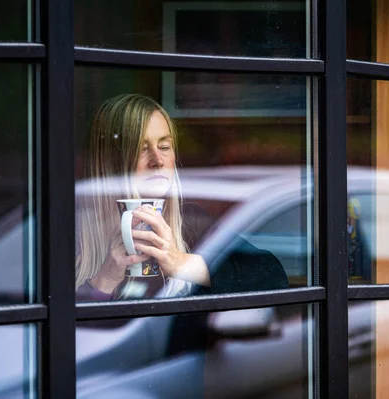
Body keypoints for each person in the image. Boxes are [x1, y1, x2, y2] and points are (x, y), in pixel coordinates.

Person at [75, 94, 288, 301]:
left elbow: (272, 277)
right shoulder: (73, 234)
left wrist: (181, 263)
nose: (157, 160)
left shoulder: (193, 223)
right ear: (111, 161)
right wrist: (105, 281)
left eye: (165, 147)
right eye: (140, 149)